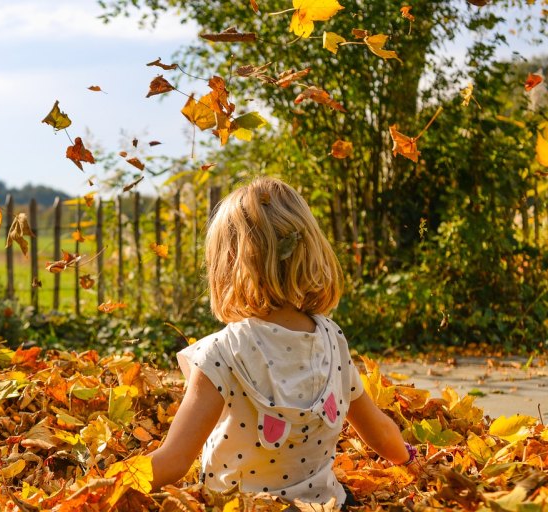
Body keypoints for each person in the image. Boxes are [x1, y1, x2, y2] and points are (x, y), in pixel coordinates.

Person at [148, 176, 414, 507]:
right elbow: (381, 434)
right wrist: (410, 460)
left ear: (229, 263)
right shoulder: (332, 338)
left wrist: (101, 486)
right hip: (326, 505)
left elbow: (173, 461)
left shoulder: (222, 352)